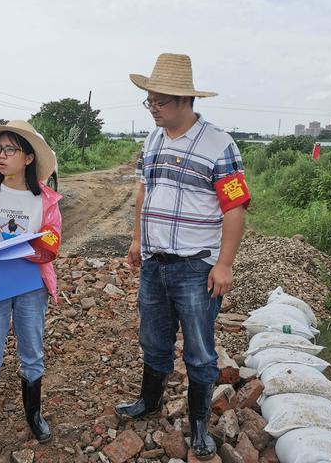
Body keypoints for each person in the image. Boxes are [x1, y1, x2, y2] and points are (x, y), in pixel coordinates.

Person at [114, 54, 250, 460]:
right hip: (155, 265)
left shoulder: (218, 144)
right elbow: (144, 193)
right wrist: (138, 240)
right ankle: (150, 401)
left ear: (184, 101)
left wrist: (223, 264)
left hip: (196, 267)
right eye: (149, 100)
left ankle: (198, 426)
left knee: (199, 351)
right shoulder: (152, 140)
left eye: (159, 100)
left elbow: (235, 208)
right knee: (153, 340)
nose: (152, 107)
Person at [0, 120, 62, 452]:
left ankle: (34, 415)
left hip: (31, 285)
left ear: (28, 158)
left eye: (9, 149)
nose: (1, 156)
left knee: (32, 352)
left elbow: (52, 244)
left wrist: (32, 247)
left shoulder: (45, 198)